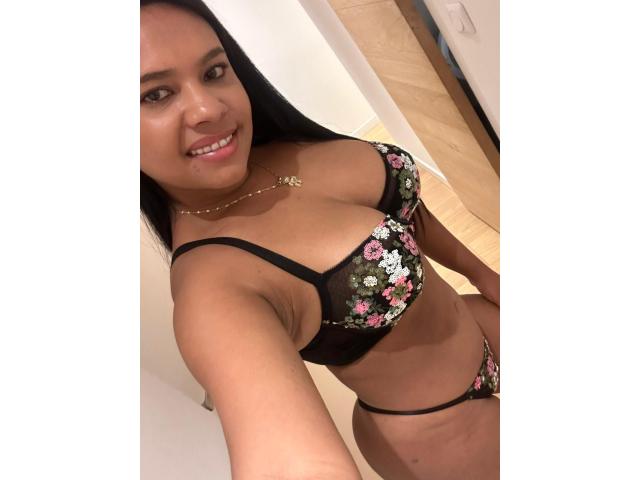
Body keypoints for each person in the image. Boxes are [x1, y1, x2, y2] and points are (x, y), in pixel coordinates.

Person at [140, 1, 500, 478]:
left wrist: (482, 274)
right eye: (155, 94)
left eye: (214, 71)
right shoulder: (212, 291)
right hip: (438, 430)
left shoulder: (275, 149)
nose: (209, 108)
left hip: (481, 319)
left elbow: (403, 208)